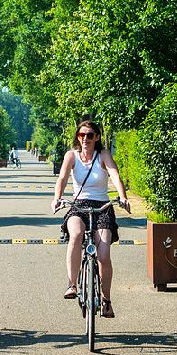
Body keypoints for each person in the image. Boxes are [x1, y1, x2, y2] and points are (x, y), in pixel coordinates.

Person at [50, 118, 131, 318]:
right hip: (78, 205)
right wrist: (57, 198)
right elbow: (62, 178)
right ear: (77, 137)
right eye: (81, 135)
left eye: (89, 135)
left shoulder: (103, 154)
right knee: (76, 234)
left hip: (102, 206)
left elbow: (114, 175)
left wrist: (122, 197)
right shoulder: (71, 155)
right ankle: (72, 284)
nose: (85, 139)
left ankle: (106, 300)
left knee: (103, 255)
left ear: (97, 137)